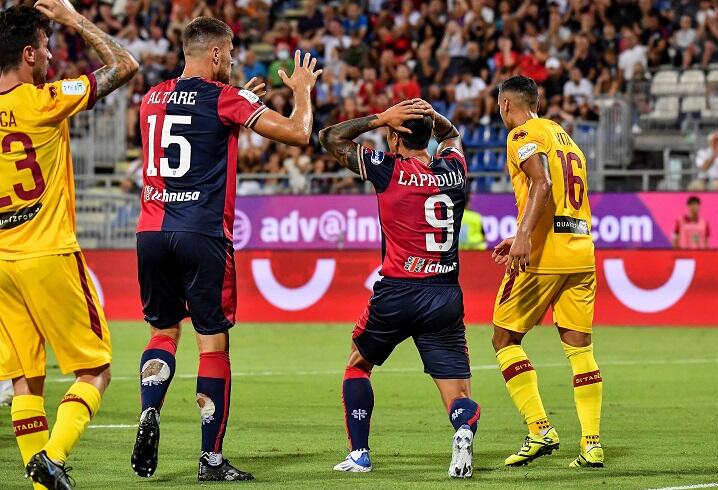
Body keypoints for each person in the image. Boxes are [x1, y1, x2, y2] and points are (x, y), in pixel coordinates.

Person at [131, 17, 321, 482]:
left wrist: (240, 105)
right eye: (231, 52)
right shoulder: (225, 99)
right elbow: (298, 133)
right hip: (202, 233)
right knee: (212, 343)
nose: (234, 60)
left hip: (151, 231)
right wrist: (302, 91)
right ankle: (211, 460)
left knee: (163, 331)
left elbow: (197, 128)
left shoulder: (152, 98)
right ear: (215, 53)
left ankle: (150, 409)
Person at [0, 1, 137, 488]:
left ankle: (41, 484)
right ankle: (52, 458)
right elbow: (125, 66)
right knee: (95, 369)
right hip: (49, 253)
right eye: (47, 48)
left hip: (1, 266)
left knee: (25, 380)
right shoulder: (43, 101)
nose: (53, 58)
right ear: (28, 54)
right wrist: (74, 20)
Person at [319, 99, 480, 478]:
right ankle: (461, 431)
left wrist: (381, 117)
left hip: (398, 291)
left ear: (394, 137)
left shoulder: (388, 169)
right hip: (444, 294)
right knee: (458, 394)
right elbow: (452, 134)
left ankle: (359, 454)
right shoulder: (454, 170)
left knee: (358, 364)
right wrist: (431, 117)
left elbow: (329, 137)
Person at [491, 76, 603, 469]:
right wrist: (520, 231)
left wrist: (524, 237)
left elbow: (542, 182)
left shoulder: (522, 133)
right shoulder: (564, 137)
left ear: (506, 105)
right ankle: (591, 444)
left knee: (504, 338)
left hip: (543, 258)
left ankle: (540, 429)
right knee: (580, 350)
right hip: (580, 253)